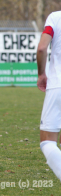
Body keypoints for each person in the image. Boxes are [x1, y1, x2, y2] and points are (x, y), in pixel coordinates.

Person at [37, 11, 61, 181]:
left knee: (47, 141)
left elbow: (42, 48)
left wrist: (41, 74)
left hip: (58, 83)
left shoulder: (55, 17)